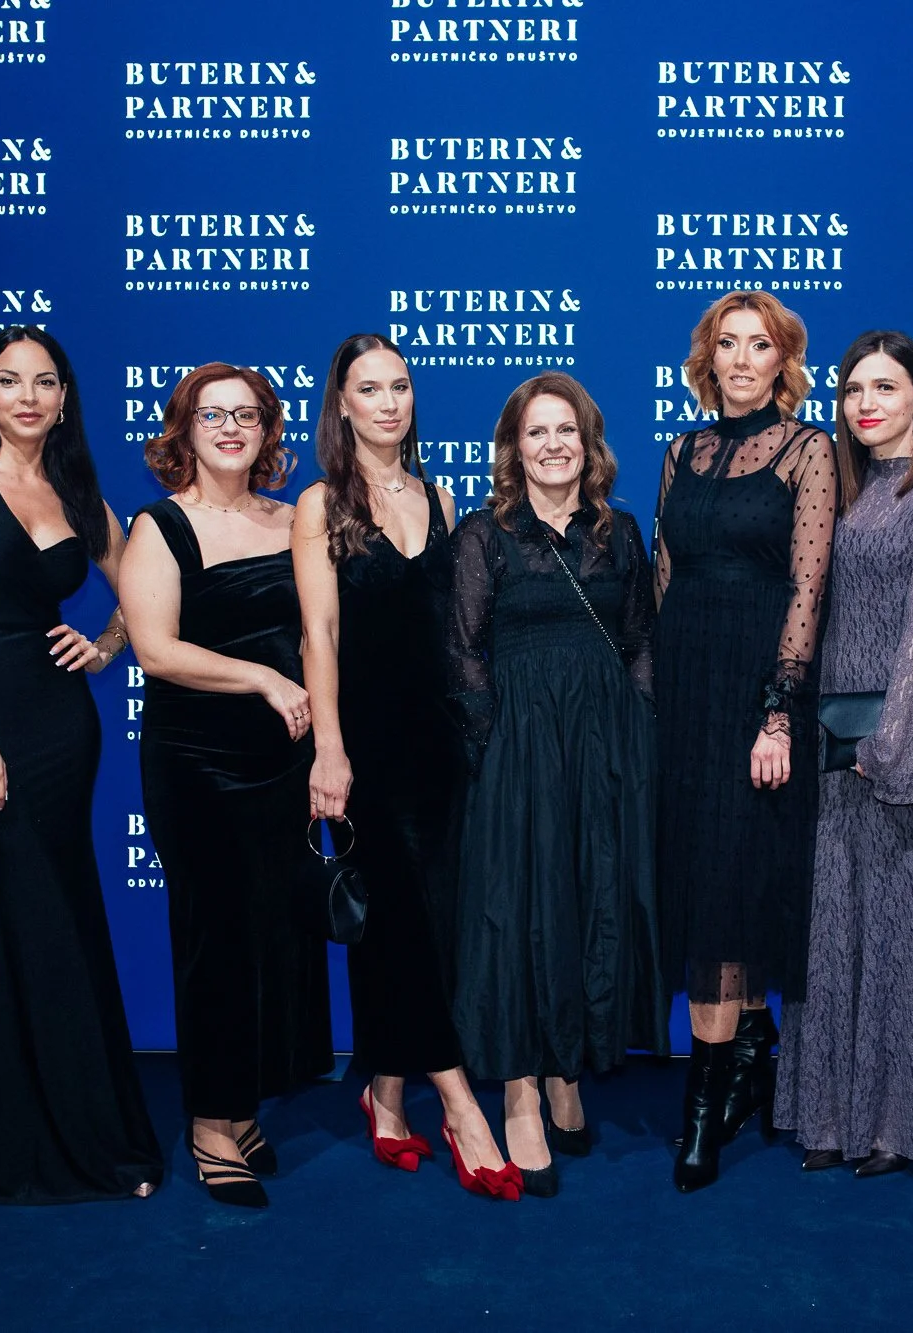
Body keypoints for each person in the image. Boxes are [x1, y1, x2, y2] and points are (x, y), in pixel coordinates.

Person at [0, 325, 163, 1204]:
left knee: (61, 908)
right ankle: (41, 1141)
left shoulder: (73, 486)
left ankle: (80, 1130)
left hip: (63, 726)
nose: (28, 396)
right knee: (28, 909)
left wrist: (105, 645)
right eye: (10, 380)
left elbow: (142, 579)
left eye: (46, 382)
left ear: (65, 399)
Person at [293, 334, 520, 1201]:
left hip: (440, 743)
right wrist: (329, 745)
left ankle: (386, 1095)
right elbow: (320, 634)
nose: (389, 403)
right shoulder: (322, 505)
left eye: (401, 387)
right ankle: (461, 1106)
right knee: (403, 922)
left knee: (422, 920)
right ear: (342, 404)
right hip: (367, 744)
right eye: (369, 389)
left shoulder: (440, 493)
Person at [446, 373, 668, 1198]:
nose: (552, 446)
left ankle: (567, 1064)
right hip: (520, 747)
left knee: (590, 896)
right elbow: (463, 651)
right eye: (535, 433)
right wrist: (492, 743)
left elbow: (641, 636)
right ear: (513, 449)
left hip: (607, 746)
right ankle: (522, 1089)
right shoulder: (484, 536)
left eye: (565, 431)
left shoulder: (620, 534)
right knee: (522, 908)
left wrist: (635, 726)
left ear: (589, 444)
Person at [121, 363, 333, 1209]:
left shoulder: (293, 519)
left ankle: (245, 1104)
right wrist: (264, 680)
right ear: (185, 427)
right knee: (215, 937)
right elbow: (156, 649)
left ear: (268, 429)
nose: (231, 427)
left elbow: (322, 628)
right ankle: (211, 1121)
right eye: (213, 414)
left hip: (284, 763)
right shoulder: (160, 525)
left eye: (248, 413)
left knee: (273, 937)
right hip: (197, 761)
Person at [777, 330, 913, 1178]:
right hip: (831, 745)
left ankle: (902, 1121)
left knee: (909, 934)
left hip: (911, 750)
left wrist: (890, 743)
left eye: (887, 388)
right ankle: (825, 1112)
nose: (867, 403)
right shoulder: (838, 493)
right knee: (833, 932)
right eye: (855, 388)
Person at [654, 290, 838, 1192]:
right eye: (725, 344)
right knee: (701, 879)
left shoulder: (810, 451)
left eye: (757, 344)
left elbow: (807, 588)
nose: (739, 358)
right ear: (706, 360)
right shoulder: (679, 451)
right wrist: (655, 698)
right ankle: (744, 1064)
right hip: (685, 692)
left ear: (782, 361)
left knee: (733, 885)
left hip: (755, 692)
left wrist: (778, 709)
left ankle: (701, 1111)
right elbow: (662, 574)